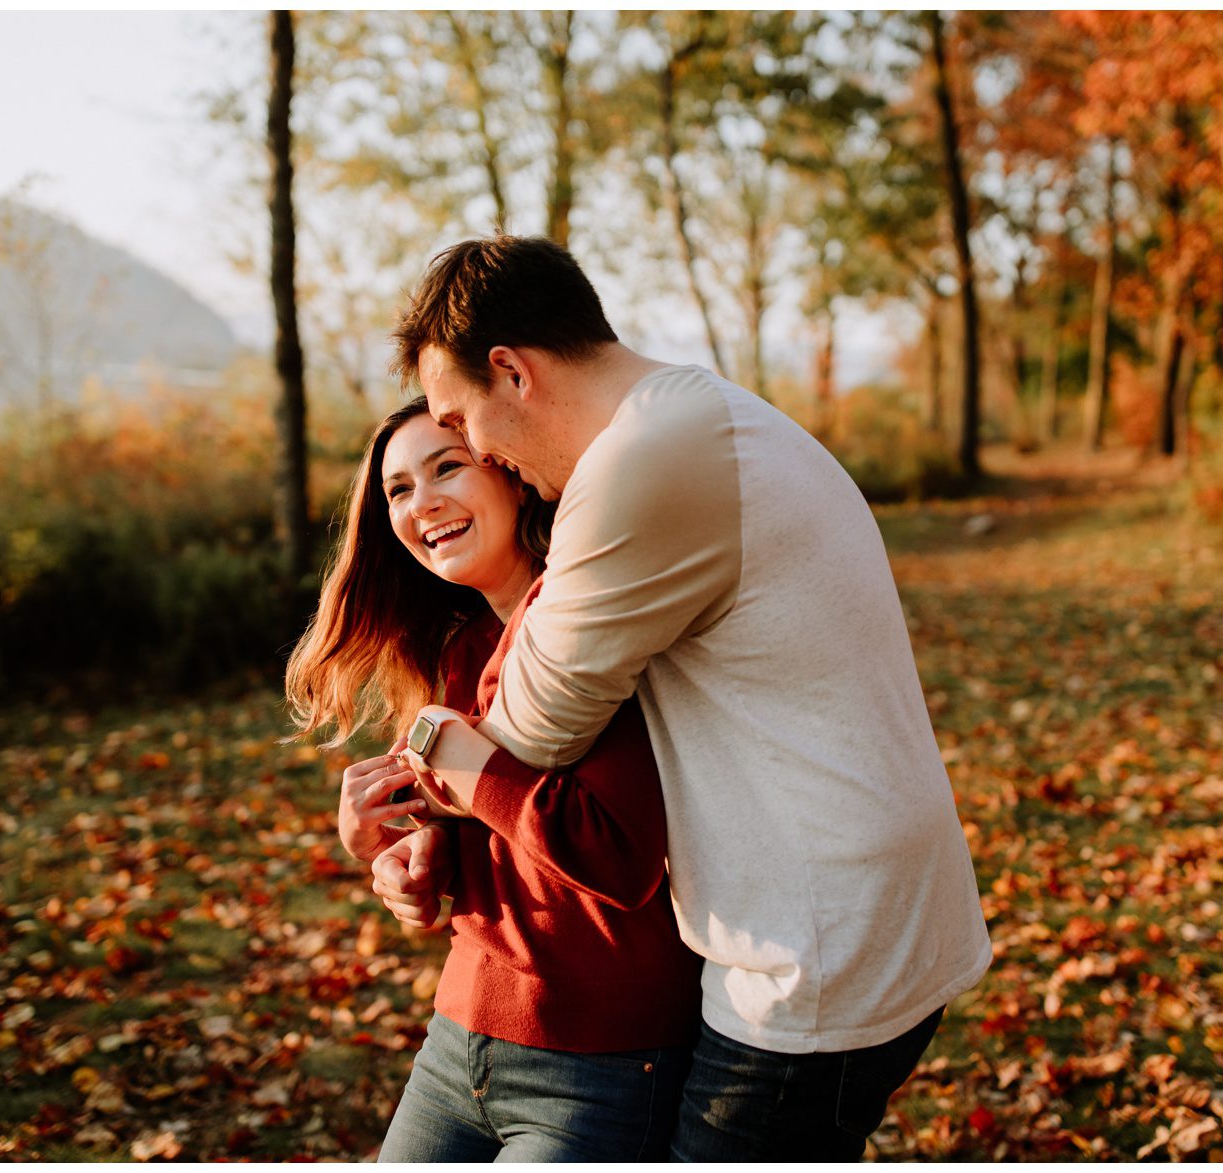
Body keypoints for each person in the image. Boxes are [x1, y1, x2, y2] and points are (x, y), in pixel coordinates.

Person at [375, 235, 993, 1161]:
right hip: (853, 911)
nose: (481, 452)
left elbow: (530, 726)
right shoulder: (701, 416)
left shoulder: (643, 460)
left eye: (464, 422)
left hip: (809, 949)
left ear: (511, 371)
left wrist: (438, 745)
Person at [285, 398, 704, 1161]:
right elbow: (494, 825)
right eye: (399, 489)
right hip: (458, 1042)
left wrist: (468, 773)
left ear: (511, 476)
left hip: (601, 1059)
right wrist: (406, 852)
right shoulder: (461, 647)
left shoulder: (594, 626)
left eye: (447, 466)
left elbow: (620, 855)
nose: (423, 502)